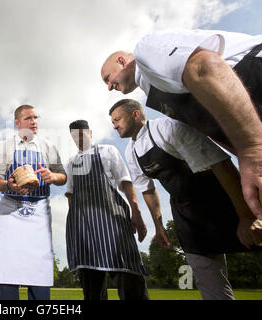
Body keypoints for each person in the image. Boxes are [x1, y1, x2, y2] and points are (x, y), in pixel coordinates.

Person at [100, 29, 262, 219]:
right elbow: (210, 127)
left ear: (122, 61)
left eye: (108, 78)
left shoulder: (145, 50)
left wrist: (252, 150)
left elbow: (204, 67)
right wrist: (242, 153)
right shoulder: (155, 92)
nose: (110, 86)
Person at [109, 98, 262, 300]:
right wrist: (159, 226)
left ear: (136, 114)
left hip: (219, 198)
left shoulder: (167, 127)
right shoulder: (131, 151)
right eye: (112, 122)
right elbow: (148, 190)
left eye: (117, 119)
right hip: (185, 213)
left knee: (258, 245)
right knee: (207, 278)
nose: (114, 125)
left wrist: (245, 215)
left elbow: (219, 162)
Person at [0, 105, 67, 300]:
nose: (34, 122)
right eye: (29, 118)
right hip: (10, 210)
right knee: (6, 269)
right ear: (17, 123)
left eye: (36, 118)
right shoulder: (4, 146)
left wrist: (52, 176)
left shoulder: (48, 146)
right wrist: (10, 185)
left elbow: (63, 177)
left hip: (38, 211)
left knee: (38, 269)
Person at [65, 119, 149, 300]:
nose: (78, 139)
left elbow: (125, 183)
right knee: (92, 287)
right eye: (74, 137)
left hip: (113, 224)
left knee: (130, 278)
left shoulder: (108, 151)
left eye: (81, 134)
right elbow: (71, 195)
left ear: (90, 133)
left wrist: (137, 213)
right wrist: (77, 228)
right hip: (85, 230)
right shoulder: (71, 162)